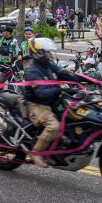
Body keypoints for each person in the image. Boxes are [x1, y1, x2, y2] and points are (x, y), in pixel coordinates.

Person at [21, 38, 64, 168]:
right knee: (54, 126)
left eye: (49, 52)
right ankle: (35, 152)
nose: (49, 55)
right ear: (38, 53)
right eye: (46, 52)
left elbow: (63, 73)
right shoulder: (33, 71)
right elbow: (40, 94)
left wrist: (88, 80)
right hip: (36, 105)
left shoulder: (48, 65)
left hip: (50, 102)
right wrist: (58, 89)